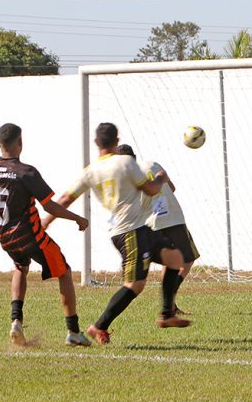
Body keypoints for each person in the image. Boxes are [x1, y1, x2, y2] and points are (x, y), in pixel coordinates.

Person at [42, 122, 190, 344]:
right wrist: (161, 178)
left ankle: (167, 314)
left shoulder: (90, 171)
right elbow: (150, 189)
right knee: (135, 285)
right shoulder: (125, 162)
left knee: (175, 258)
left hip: (140, 229)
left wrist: (46, 220)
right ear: (117, 141)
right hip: (129, 232)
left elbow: (65, 199)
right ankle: (99, 326)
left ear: (96, 143)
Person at [0, 123, 91, 347]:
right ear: (20, 143)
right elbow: (49, 206)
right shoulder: (26, 172)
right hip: (29, 235)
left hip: (4, 235)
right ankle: (74, 331)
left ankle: (16, 321)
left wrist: (7, 221)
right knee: (64, 271)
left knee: (21, 266)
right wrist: (77, 218)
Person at [117, 144, 199, 315]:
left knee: (170, 262)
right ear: (134, 156)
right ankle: (168, 303)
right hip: (173, 220)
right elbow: (172, 188)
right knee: (186, 261)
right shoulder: (152, 165)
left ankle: (170, 305)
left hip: (150, 224)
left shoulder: (124, 182)